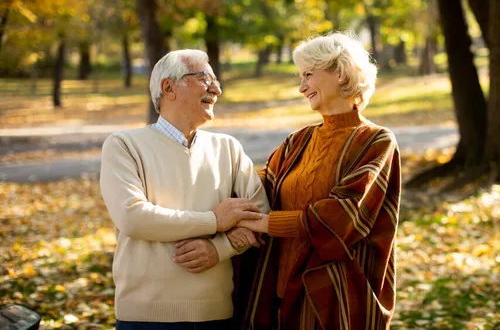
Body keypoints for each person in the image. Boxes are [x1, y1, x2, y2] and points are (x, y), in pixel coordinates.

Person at [237, 33, 402, 329]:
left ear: (339, 73)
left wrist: (265, 223)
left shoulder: (375, 141)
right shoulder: (298, 141)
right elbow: (256, 187)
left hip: (335, 302)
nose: (301, 88)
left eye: (308, 75)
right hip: (280, 296)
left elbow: (344, 215)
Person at [99, 49, 269, 330]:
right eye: (205, 78)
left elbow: (260, 215)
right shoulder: (123, 145)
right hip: (144, 318)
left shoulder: (228, 148)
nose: (217, 88)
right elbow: (133, 217)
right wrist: (214, 220)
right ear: (169, 87)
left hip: (216, 314)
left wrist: (220, 249)